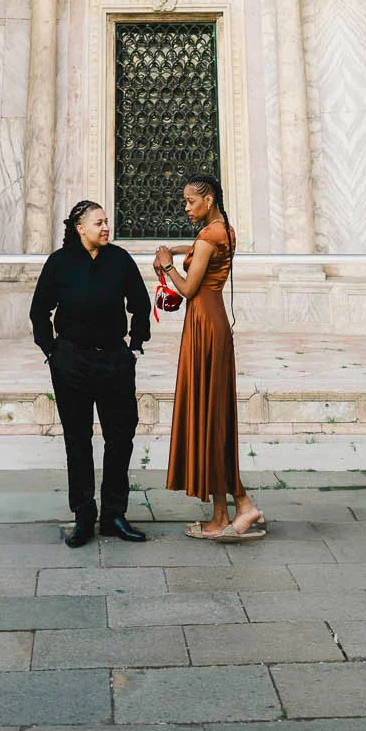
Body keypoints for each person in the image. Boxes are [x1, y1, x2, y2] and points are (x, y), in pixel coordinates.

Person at [30, 199, 152, 547]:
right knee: (78, 440)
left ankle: (114, 515)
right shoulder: (60, 262)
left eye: (107, 222)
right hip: (72, 361)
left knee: (120, 438)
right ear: (80, 228)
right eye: (98, 223)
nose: (105, 227)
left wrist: (134, 345)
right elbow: (39, 310)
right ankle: (84, 516)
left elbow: (139, 304)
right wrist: (51, 350)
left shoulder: (120, 259)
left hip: (114, 358)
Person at [155, 174, 266, 542]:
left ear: (209, 197)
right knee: (213, 416)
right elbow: (202, 249)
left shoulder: (208, 236)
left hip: (204, 322)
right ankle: (220, 516)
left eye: (190, 201)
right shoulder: (224, 229)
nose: (186, 207)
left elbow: (187, 289)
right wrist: (177, 253)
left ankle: (243, 505)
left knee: (211, 415)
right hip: (213, 319)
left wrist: (168, 265)